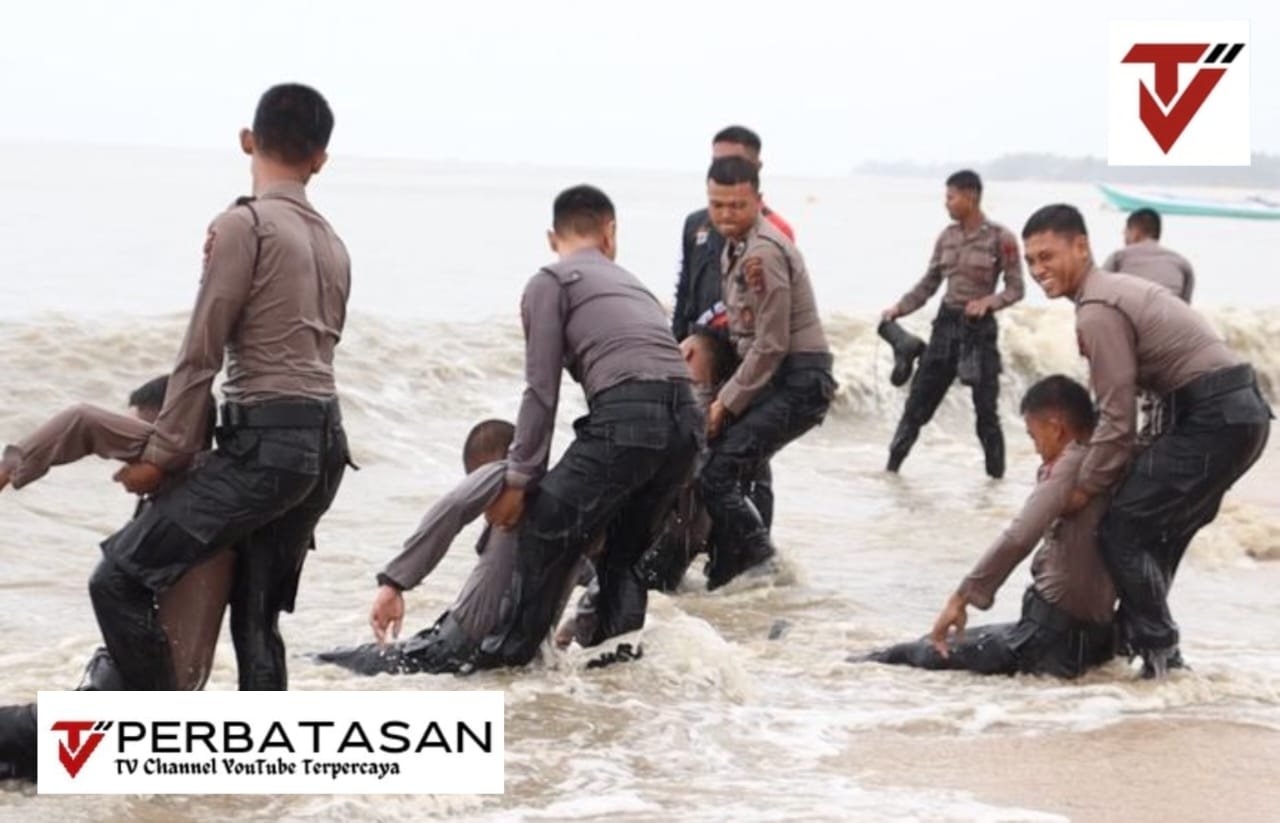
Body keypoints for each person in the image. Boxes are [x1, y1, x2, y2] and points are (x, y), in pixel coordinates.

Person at [93, 83, 352, 692]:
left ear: (247, 141)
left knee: (118, 577)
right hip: (325, 451)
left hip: (266, 447)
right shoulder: (334, 244)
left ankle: (153, 730)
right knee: (257, 618)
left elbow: (201, 350)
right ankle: (266, 767)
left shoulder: (245, 225)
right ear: (320, 159)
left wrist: (162, 454)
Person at [1021, 203, 1271, 678]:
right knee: (1158, 531)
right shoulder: (1115, 291)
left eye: (1047, 256)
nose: (1038, 270)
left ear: (1082, 247)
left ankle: (1161, 655)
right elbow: (1141, 409)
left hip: (1213, 418)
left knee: (1121, 526)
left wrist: (1082, 487)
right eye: (1031, 261)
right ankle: (1145, 651)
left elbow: (1117, 417)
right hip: (1241, 414)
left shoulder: (1096, 309)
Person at [473, 184, 702, 669]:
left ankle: (505, 664)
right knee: (622, 554)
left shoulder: (550, 281)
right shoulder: (631, 283)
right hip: (687, 423)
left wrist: (520, 477)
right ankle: (615, 668)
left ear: (552, 238)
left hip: (629, 416)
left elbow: (541, 391)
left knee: (542, 527)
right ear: (609, 233)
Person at [0, 377, 229, 782]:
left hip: (122, 707)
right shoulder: (218, 507)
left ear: (169, 437)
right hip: (147, 700)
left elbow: (81, 419)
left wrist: (7, 470)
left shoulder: (188, 495)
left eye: (135, 444)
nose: (122, 465)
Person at [856, 376, 1117, 678]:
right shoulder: (1107, 461)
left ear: (1056, 428)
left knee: (910, 653)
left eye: (1034, 437)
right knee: (950, 643)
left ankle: (833, 674)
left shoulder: (1067, 466)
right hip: (1095, 639)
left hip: (1048, 640)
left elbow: (1019, 538)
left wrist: (960, 598)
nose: (1036, 450)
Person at [315, 420, 593, 675]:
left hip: (459, 647)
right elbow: (597, 577)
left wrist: (394, 583)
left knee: (332, 660)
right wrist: (572, 629)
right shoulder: (567, 512)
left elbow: (454, 506)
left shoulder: (506, 477)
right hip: (520, 655)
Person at [698, 156, 835, 590]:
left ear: (758, 200)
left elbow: (772, 344)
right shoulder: (734, 249)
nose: (724, 215)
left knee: (717, 473)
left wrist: (725, 401)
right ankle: (728, 571)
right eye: (717, 205)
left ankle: (764, 560)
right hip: (778, 379)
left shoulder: (763, 254)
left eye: (736, 205)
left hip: (799, 380)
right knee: (731, 467)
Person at [671, 125, 790, 532]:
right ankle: (688, 543)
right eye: (716, 159)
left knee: (750, 458)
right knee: (693, 450)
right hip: (702, 348)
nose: (723, 165)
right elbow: (685, 290)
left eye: (732, 160)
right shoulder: (695, 225)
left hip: (750, 357)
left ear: (755, 168)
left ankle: (755, 551)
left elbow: (777, 312)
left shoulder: (774, 232)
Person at [881, 170, 1025, 478]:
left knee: (986, 413)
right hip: (945, 328)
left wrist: (988, 302)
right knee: (916, 406)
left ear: (970, 197)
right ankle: (890, 473)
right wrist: (900, 308)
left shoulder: (1002, 238)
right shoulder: (946, 237)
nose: (946, 203)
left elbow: (1016, 288)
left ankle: (995, 485)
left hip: (979, 332)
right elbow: (929, 283)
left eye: (951, 196)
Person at [1100, 208, 1195, 303]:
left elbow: (1098, 294)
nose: (1123, 235)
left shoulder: (1118, 257)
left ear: (1135, 233)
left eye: (1125, 231)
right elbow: (1185, 306)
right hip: (1171, 315)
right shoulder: (1182, 263)